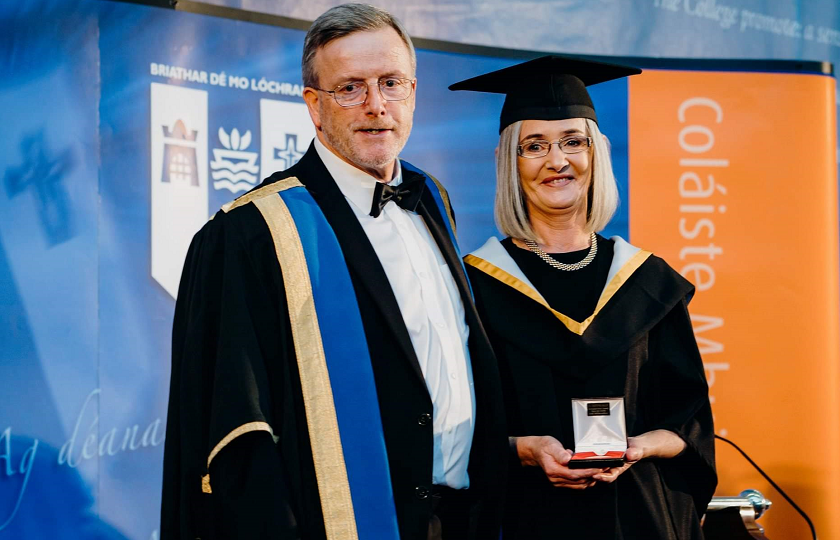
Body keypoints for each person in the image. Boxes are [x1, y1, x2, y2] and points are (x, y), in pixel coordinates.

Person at [160, 5, 507, 540]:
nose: (376, 105)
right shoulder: (250, 234)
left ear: (413, 92)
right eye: (350, 88)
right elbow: (237, 434)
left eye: (391, 83)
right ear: (314, 106)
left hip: (460, 519)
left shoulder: (431, 198)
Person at [450, 56, 717, 539]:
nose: (557, 161)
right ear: (508, 162)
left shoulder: (648, 281)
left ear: (596, 154)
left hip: (637, 518)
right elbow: (457, 425)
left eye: (574, 142)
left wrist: (641, 447)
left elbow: (689, 424)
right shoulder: (473, 286)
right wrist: (524, 448)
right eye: (534, 146)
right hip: (524, 518)